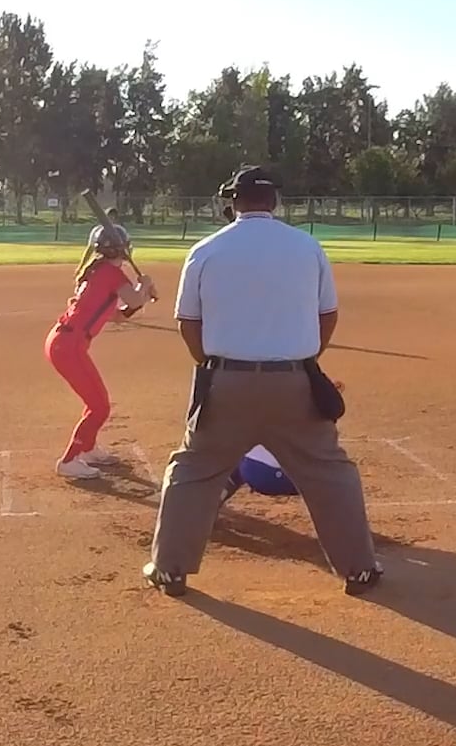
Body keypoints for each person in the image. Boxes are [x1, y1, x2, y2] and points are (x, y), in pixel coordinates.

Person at [144, 166, 381, 597]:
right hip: (295, 383)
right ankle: (359, 569)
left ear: (233, 201)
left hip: (226, 382)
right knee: (331, 473)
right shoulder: (307, 246)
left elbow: (188, 322)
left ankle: (169, 570)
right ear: (274, 201)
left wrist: (208, 364)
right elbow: (327, 315)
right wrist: (305, 360)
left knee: (192, 471)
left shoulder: (206, 249)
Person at [45, 227, 158, 479]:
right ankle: (69, 460)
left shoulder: (99, 271)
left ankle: (88, 449)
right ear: (123, 249)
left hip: (65, 342)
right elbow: (134, 300)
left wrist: (142, 295)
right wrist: (145, 286)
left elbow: (118, 315)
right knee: (99, 406)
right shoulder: (111, 273)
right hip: (69, 346)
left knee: (96, 403)